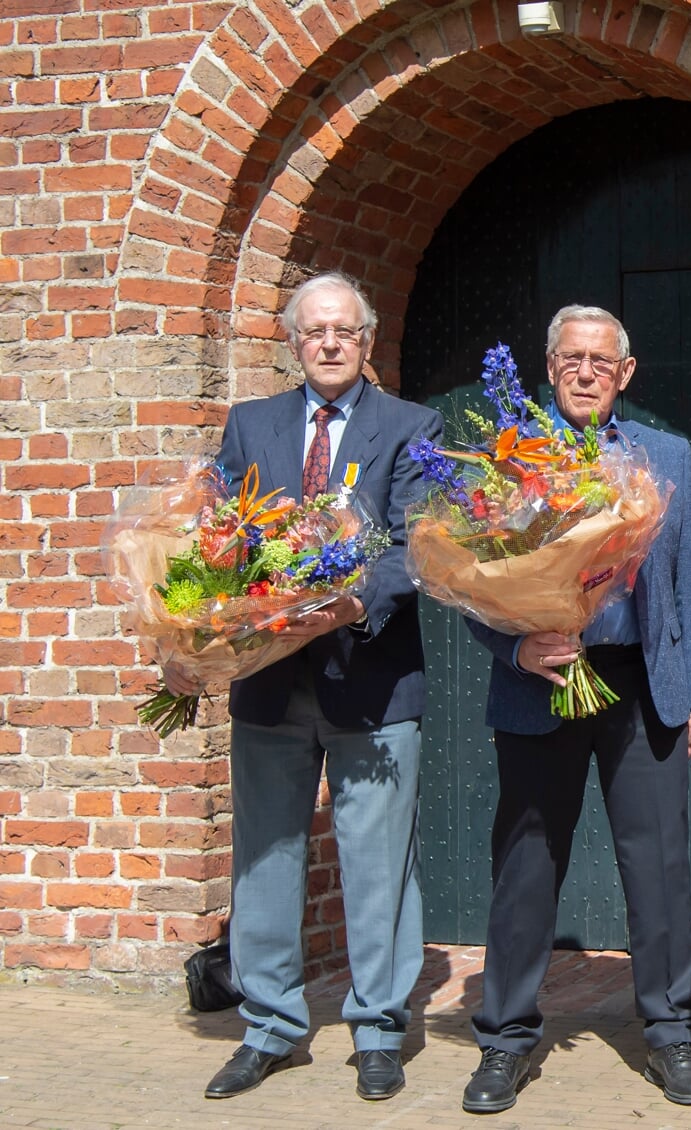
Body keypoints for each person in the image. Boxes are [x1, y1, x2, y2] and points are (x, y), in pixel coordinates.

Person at [460, 305, 691, 1114]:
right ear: (548, 367)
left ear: (626, 374)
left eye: (601, 362)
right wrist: (517, 649)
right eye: (572, 358)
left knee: (659, 866)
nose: (586, 372)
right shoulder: (508, 459)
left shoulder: (668, 456)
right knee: (527, 865)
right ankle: (505, 1040)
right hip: (542, 684)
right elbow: (469, 585)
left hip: (643, 686)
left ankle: (674, 1033)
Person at [202, 271, 443, 1102]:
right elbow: (218, 542)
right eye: (315, 332)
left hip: (371, 678)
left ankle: (378, 1027)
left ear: (367, 340)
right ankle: (269, 1025)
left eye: (345, 330)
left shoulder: (413, 425)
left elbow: (418, 543)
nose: (331, 343)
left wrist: (348, 603)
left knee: (378, 863)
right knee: (264, 855)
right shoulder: (250, 425)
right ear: (293, 342)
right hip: (270, 681)